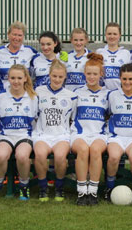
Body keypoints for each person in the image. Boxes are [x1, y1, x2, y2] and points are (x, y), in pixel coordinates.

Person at [0, 64, 38, 201]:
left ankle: (24, 185)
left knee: (22, 156)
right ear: (8, 78)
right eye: (12, 78)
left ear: (25, 78)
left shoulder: (33, 97)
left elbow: (37, 119)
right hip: (6, 135)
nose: (16, 81)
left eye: (19, 78)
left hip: (24, 135)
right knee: (1, 156)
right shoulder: (1, 96)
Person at [33, 59, 77, 202]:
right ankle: (43, 187)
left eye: (60, 77)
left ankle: (59, 187)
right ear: (49, 75)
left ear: (65, 77)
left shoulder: (71, 95)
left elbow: (74, 118)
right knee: (39, 155)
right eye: (54, 76)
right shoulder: (38, 92)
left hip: (61, 135)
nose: (57, 79)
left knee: (59, 157)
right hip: (42, 134)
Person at [104, 63, 132, 203]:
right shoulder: (112, 95)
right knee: (114, 158)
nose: (127, 82)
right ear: (120, 79)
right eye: (124, 79)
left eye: (130, 79)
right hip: (116, 136)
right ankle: (109, 187)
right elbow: (108, 113)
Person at [70, 53, 110, 206]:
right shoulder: (77, 93)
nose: (91, 77)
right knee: (83, 150)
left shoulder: (107, 94)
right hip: (79, 133)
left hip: (99, 134)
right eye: (89, 74)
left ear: (101, 74)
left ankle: (92, 192)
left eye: (95, 74)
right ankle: (81, 192)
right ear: (84, 74)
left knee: (95, 150)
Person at [0, 21, 37, 91]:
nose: (16, 38)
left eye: (20, 35)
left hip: (24, 96)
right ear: (8, 34)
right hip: (3, 95)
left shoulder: (30, 51)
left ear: (23, 36)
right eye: (14, 34)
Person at [96, 22, 131, 90]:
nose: (112, 37)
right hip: (103, 92)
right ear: (105, 35)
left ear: (119, 35)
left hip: (120, 93)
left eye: (115, 34)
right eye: (109, 34)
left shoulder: (126, 53)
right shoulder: (99, 52)